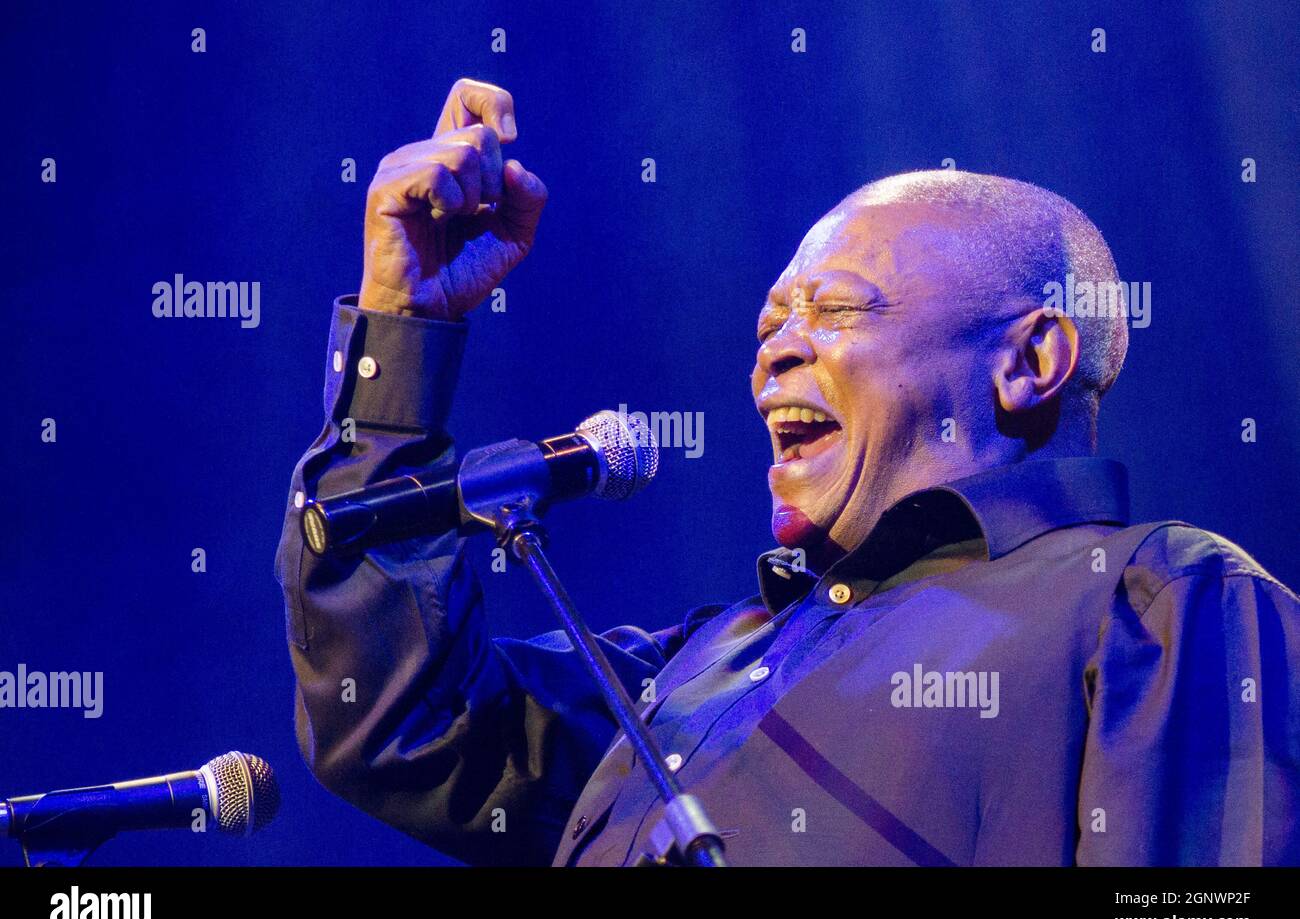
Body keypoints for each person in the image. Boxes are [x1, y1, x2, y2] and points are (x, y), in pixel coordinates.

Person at [274, 78, 1300, 866]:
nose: (770, 352)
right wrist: (400, 328)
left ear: (1029, 359)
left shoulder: (1160, 599)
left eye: (836, 309)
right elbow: (399, 724)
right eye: (769, 323)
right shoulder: (691, 669)